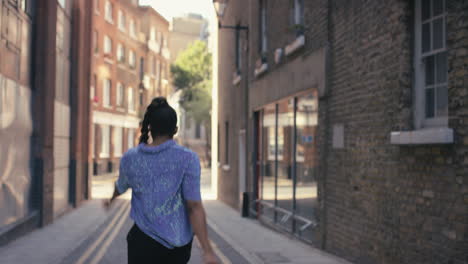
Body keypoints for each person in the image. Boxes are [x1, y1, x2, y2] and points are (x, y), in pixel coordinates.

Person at [103, 97, 218, 264]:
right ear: (175, 129)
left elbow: (120, 186)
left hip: (141, 244)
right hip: (176, 248)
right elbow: (194, 206)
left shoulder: (131, 158)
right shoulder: (188, 159)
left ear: (149, 127)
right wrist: (207, 250)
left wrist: (110, 200)